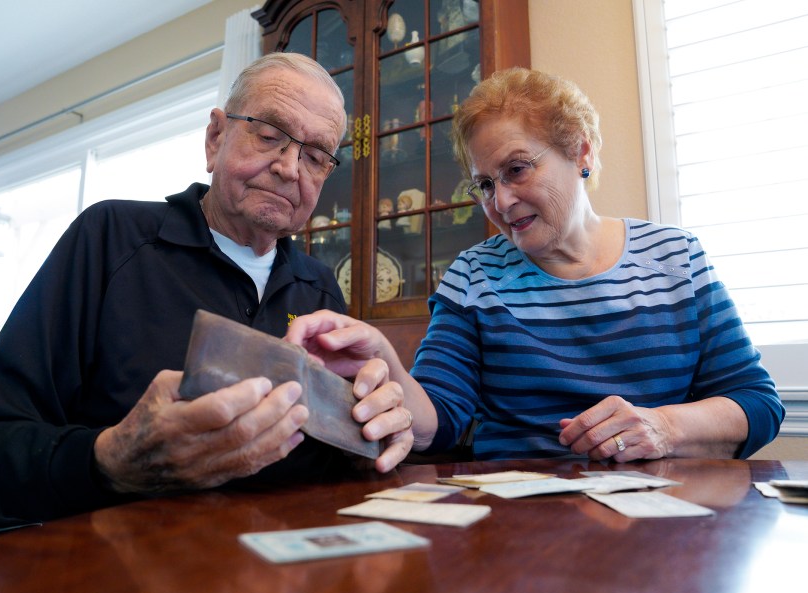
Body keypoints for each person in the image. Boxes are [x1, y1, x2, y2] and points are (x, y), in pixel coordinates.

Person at [0, 53, 413, 521]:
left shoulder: (320, 288)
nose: (290, 168)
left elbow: (341, 461)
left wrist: (367, 438)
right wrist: (111, 459)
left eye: (315, 157)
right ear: (216, 138)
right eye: (270, 135)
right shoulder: (110, 238)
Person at [285, 67, 784, 463]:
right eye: (484, 184)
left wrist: (665, 428)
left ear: (580, 152)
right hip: (518, 531)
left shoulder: (677, 258)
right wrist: (387, 366)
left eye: (517, 169)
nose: (500, 202)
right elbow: (439, 422)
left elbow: (757, 404)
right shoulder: (474, 277)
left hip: (665, 528)